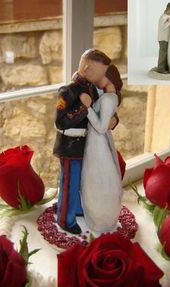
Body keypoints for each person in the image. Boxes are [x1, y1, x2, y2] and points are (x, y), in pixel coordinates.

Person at [53, 49, 119, 235]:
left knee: (83, 181)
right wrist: (83, 108)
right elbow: (60, 121)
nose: (102, 77)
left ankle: (78, 207)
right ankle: (66, 218)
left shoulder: (93, 89)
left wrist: (114, 120)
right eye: (101, 72)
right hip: (70, 146)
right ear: (88, 67)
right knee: (70, 182)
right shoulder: (68, 91)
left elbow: (102, 111)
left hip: (88, 147)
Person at [80, 64, 123, 232]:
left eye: (101, 76)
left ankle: (100, 219)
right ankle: (98, 217)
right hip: (97, 143)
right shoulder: (109, 97)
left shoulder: (107, 99)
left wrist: (88, 107)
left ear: (108, 77)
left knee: (96, 180)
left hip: (98, 144)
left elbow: (101, 127)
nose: (98, 79)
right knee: (95, 180)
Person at [157, 2, 170, 73]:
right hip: (163, 38)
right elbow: (161, 27)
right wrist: (169, 23)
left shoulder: (168, 16)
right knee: (163, 53)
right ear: (169, 9)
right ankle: (160, 68)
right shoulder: (163, 17)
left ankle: (165, 67)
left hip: (166, 38)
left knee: (166, 53)